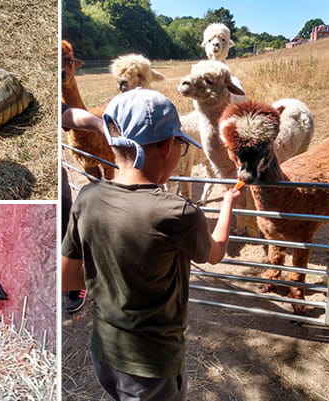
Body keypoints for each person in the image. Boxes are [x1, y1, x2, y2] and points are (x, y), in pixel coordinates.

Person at [60, 89, 240, 401]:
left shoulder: (88, 199)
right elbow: (216, 252)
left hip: (104, 349)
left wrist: (114, 273)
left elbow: (67, 277)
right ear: (169, 145)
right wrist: (228, 203)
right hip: (152, 364)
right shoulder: (179, 212)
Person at [60, 103, 104, 313]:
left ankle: (75, 283)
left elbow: (66, 113)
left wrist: (99, 124)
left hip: (59, 192)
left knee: (64, 225)